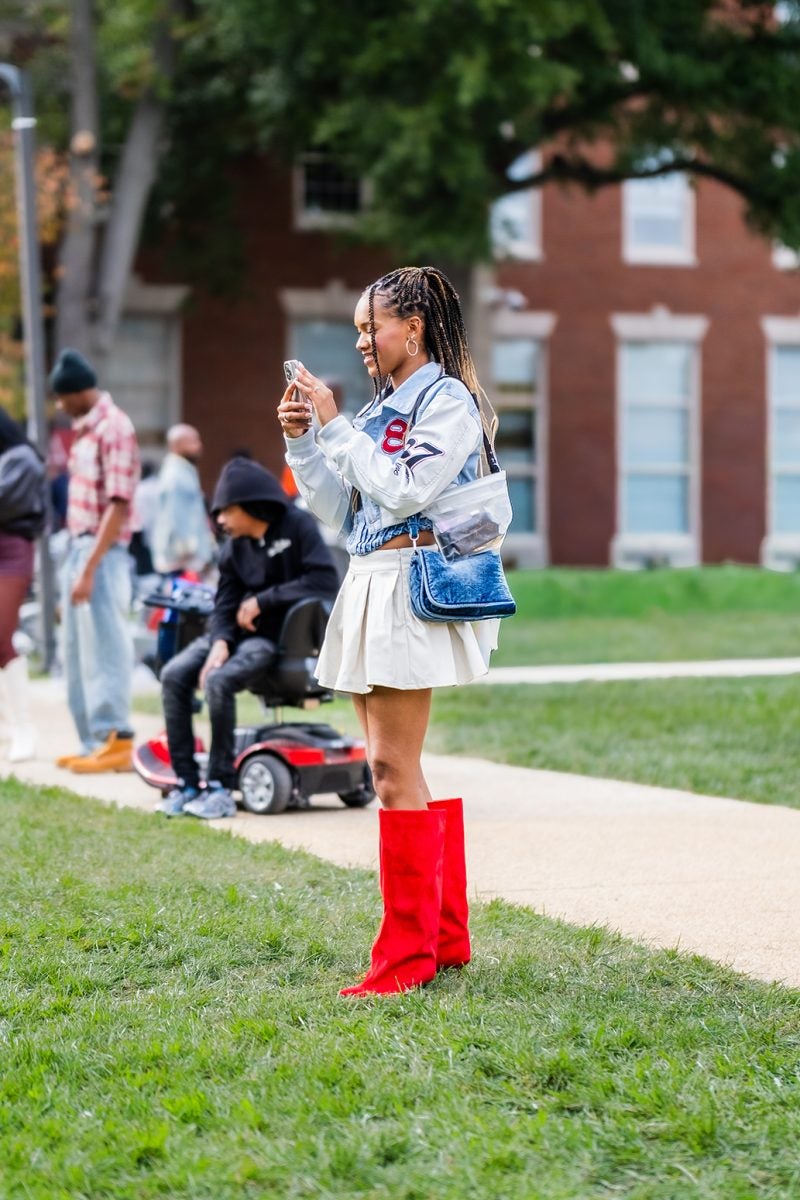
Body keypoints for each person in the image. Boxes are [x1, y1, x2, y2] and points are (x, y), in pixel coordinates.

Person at [278, 265, 500, 997]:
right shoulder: (377, 412)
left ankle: (405, 961)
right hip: (370, 579)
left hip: (413, 586)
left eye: (372, 327)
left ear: (415, 327)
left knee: (388, 771)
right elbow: (342, 514)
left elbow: (407, 489)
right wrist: (307, 443)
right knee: (399, 769)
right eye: (358, 331)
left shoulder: (450, 402)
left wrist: (339, 427)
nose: (364, 341)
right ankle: (444, 937)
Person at [158, 455, 340, 820]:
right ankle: (187, 784)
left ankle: (221, 787)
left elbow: (325, 580)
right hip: (235, 638)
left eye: (225, 510)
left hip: (274, 641)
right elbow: (225, 602)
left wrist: (263, 600)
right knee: (174, 675)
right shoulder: (233, 549)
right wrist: (221, 640)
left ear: (250, 504)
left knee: (220, 682)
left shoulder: (297, 526)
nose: (220, 520)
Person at [50, 348, 141, 774]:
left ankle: (116, 736)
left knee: (105, 647)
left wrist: (88, 569)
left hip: (103, 553)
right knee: (76, 651)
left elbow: (119, 504)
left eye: (61, 396)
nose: (58, 405)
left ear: (77, 392)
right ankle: (91, 741)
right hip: (79, 547)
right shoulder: (85, 429)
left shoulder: (114, 427)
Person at [0, 407, 47, 762]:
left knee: (3, 637)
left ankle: (24, 729)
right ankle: (9, 724)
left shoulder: (22, 459)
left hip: (11, 549)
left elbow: (7, 503)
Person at [150, 424, 215, 577]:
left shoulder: (183, 471)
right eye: (193, 442)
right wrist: (190, 555)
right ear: (177, 445)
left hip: (185, 561)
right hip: (182, 562)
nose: (199, 446)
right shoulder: (176, 476)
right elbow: (176, 516)